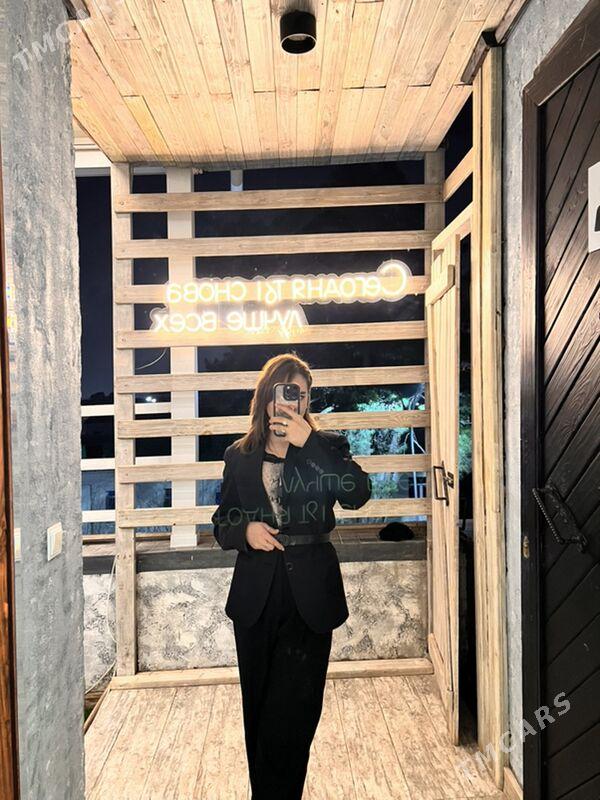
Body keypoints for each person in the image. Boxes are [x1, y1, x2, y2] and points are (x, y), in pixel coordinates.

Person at [212, 352, 372, 800]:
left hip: (311, 593)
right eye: (282, 391)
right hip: (257, 595)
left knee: (296, 713)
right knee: (259, 708)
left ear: (307, 400)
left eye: (298, 393)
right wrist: (244, 531)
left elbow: (357, 494)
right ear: (265, 398)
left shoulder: (327, 447)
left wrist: (310, 444)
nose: (289, 401)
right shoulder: (239, 456)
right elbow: (222, 521)